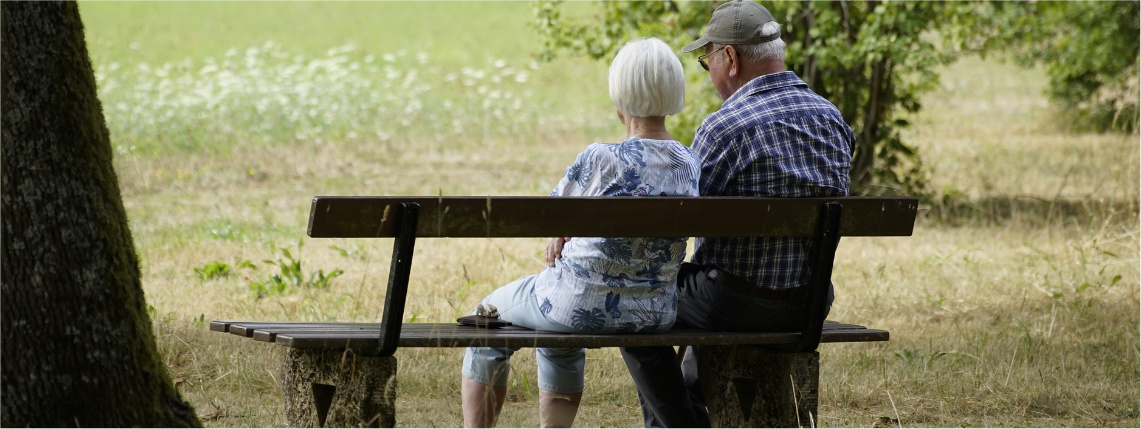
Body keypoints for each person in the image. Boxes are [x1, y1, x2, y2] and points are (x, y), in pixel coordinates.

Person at [618, 1, 856, 427]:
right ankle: (693, 404)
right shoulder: (832, 119)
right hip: (809, 304)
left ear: (729, 58)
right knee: (701, 285)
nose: (707, 72)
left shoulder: (726, 126)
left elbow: (677, 219)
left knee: (632, 304)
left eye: (706, 60)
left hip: (732, 303)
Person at [460, 37, 701, 428]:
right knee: (558, 333)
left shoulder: (599, 158)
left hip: (577, 305)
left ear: (619, 97)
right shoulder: (689, 163)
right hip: (653, 313)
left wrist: (560, 230)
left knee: (487, 318)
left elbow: (549, 215)